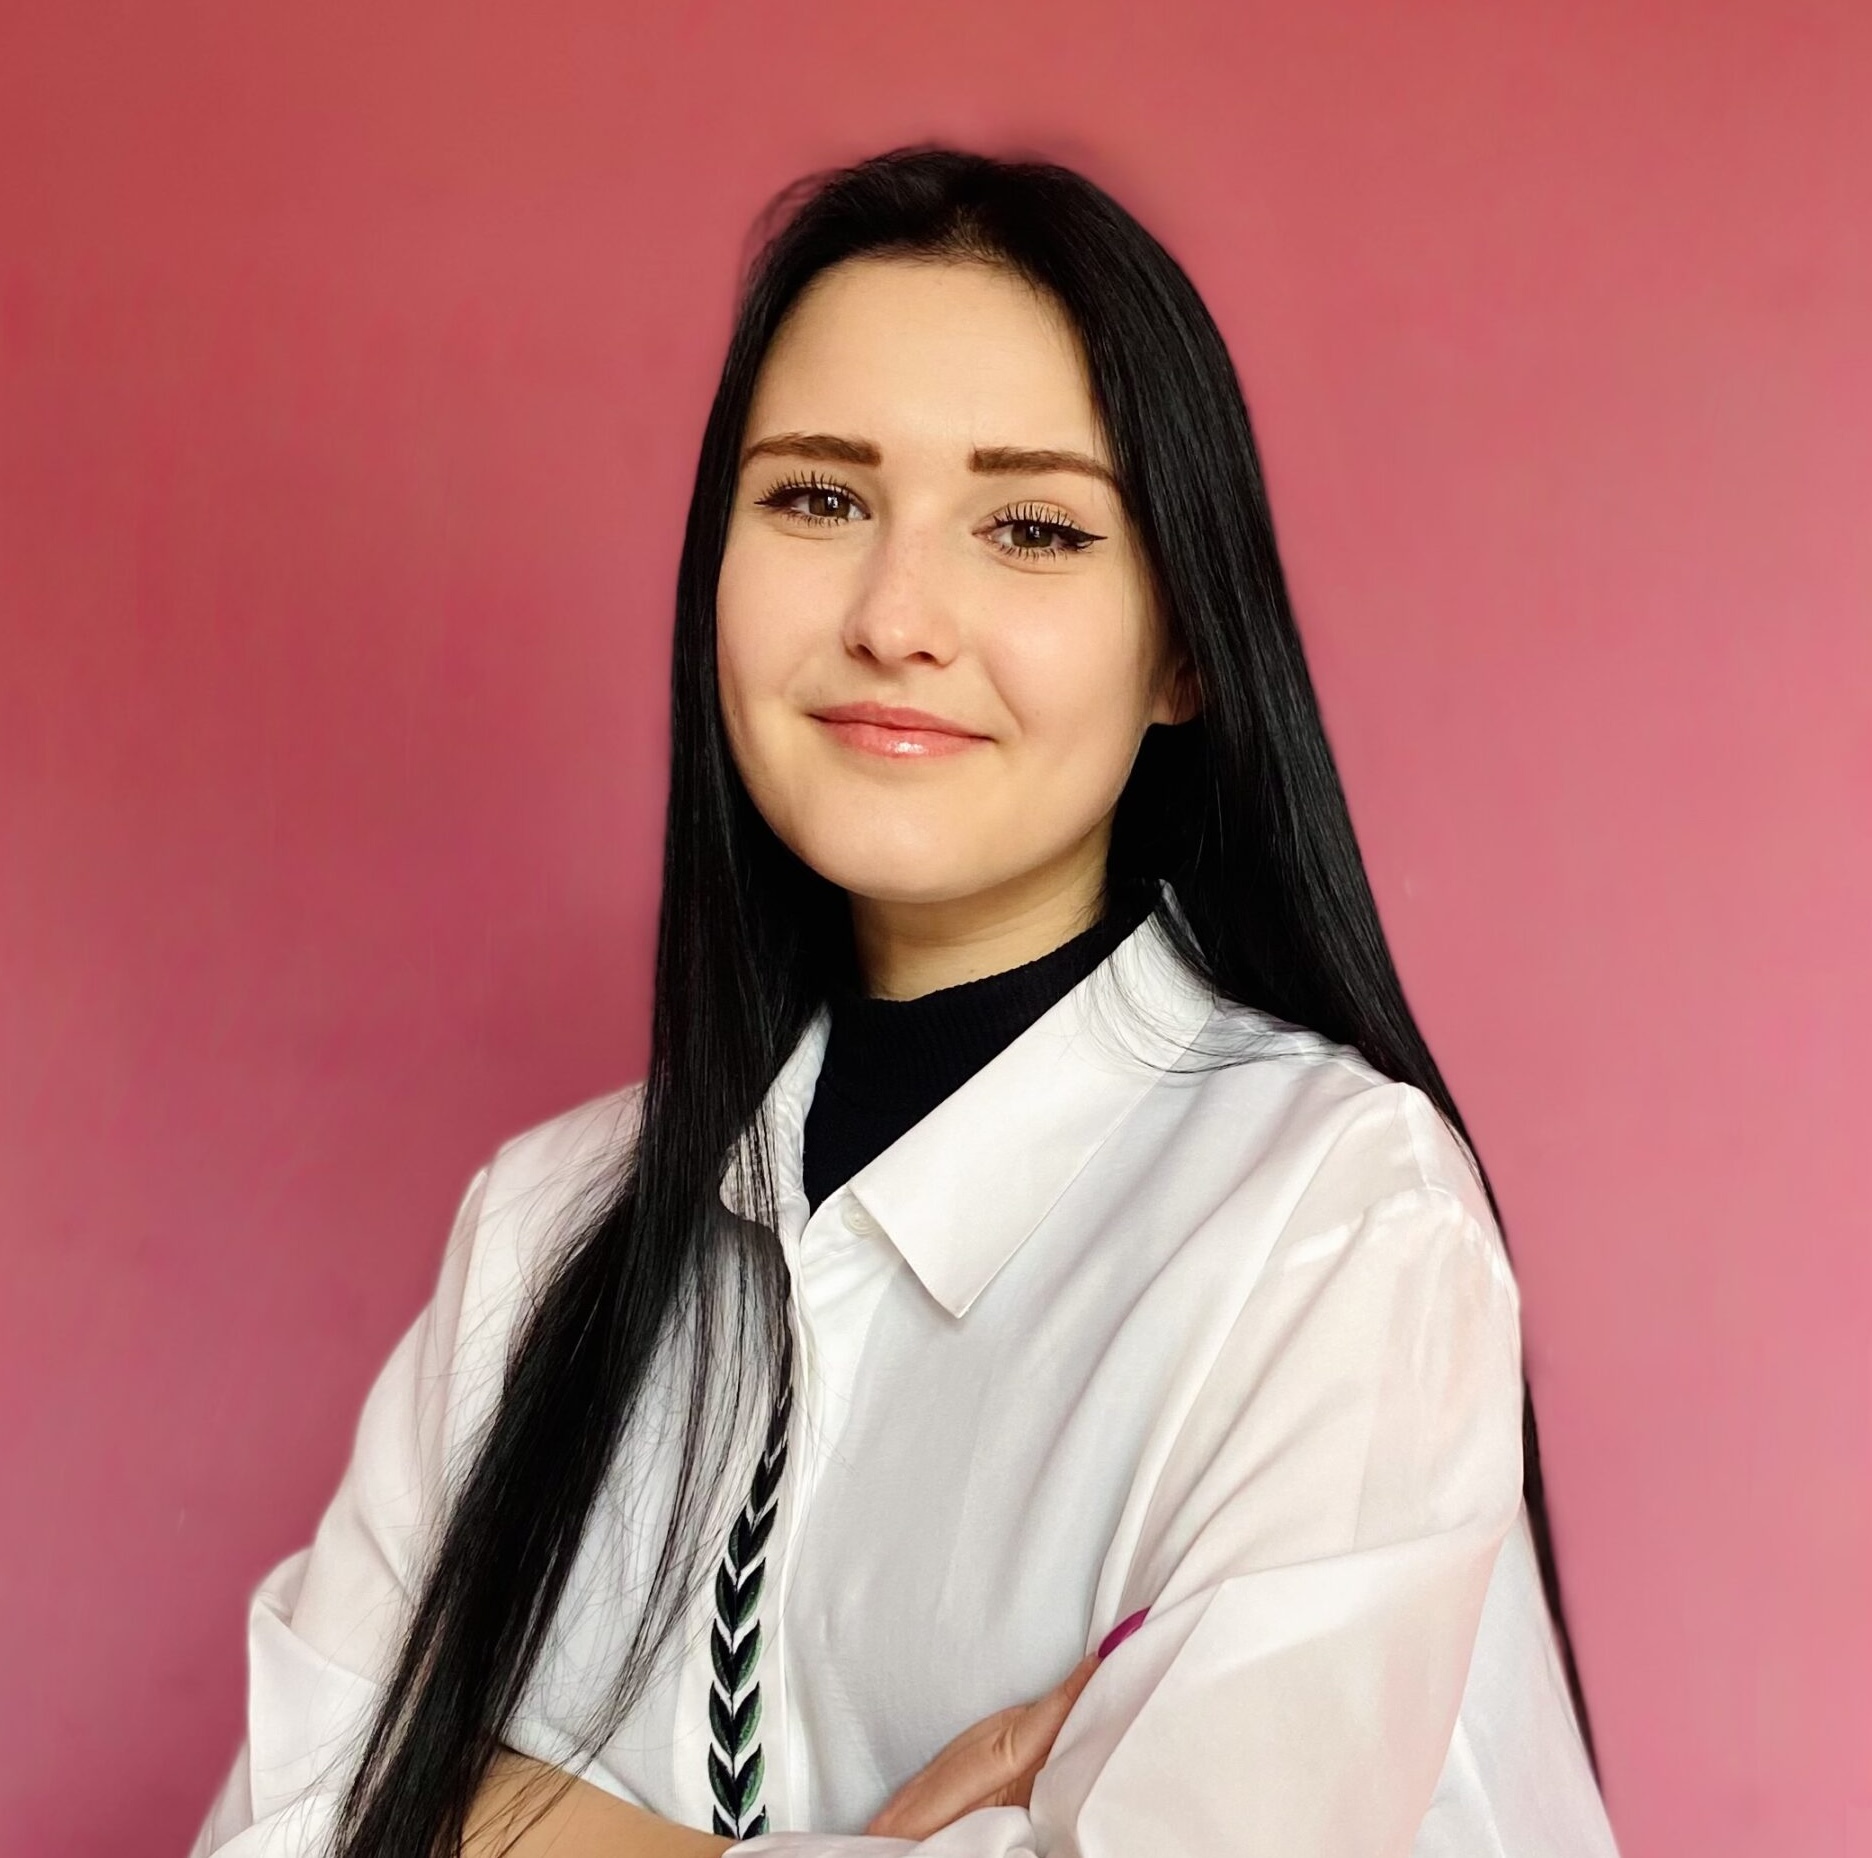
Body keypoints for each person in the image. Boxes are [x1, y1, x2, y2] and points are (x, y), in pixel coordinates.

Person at [192, 146, 1619, 1857]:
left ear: (1186, 646)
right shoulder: (539, 1225)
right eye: (816, 499)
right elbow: (275, 1824)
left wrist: (491, 1812)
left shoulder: (1329, 1216)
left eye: (1033, 527)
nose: (894, 618)